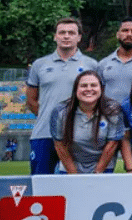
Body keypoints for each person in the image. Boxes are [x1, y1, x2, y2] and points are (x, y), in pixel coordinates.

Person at [26, 18, 94, 175]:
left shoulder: (91, 64)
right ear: (55, 36)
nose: (66, 36)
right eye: (62, 32)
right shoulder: (39, 65)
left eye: (71, 33)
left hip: (78, 135)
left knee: (77, 185)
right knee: (41, 185)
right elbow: (31, 100)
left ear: (79, 37)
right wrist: (53, 119)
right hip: (44, 133)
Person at [50, 70, 127, 174]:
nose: (89, 89)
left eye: (93, 85)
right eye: (84, 86)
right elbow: (59, 144)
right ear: (76, 89)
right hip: (71, 164)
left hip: (103, 164)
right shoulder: (60, 111)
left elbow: (112, 144)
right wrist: (73, 173)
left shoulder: (113, 110)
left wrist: (97, 173)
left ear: (101, 89)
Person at [96, 17, 132, 105]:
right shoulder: (104, 63)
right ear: (118, 34)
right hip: (109, 116)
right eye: (125, 30)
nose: (129, 34)